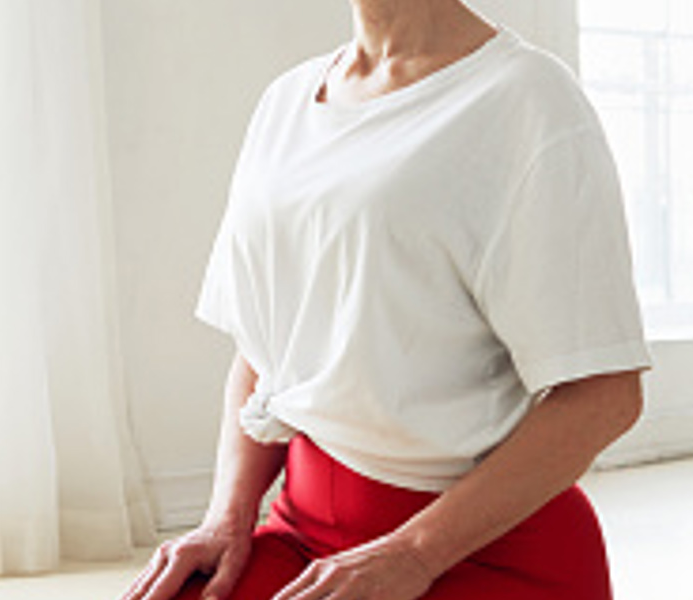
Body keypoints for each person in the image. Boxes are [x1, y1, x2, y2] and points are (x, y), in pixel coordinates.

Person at [120, 1, 653, 599]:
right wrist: (226, 518)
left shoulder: (529, 99)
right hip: (303, 535)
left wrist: (412, 554)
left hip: (482, 549)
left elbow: (605, 396)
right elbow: (265, 351)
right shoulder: (286, 102)